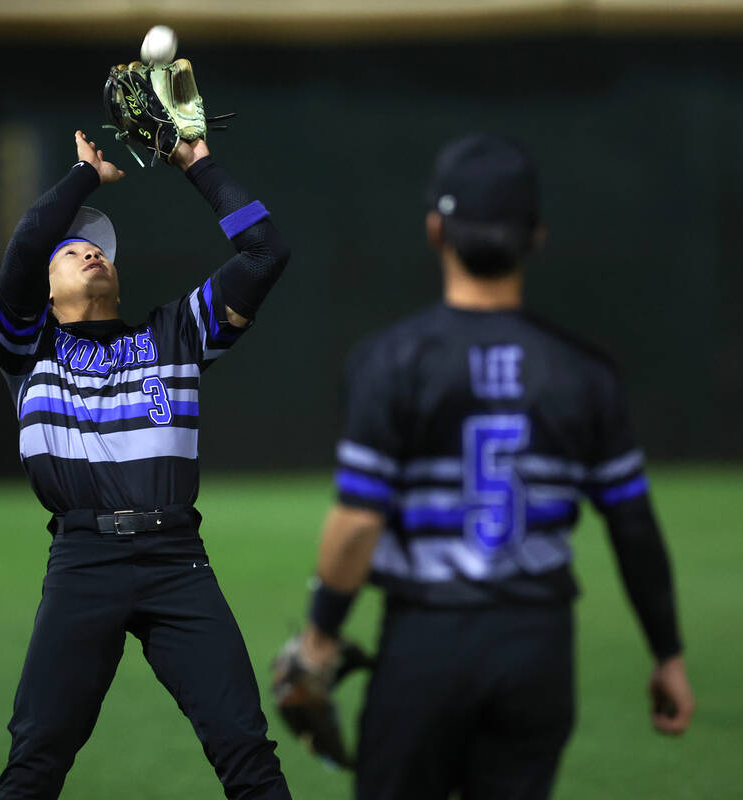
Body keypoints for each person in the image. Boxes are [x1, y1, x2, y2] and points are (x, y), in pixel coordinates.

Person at [292, 132, 695, 799]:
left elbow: (359, 524)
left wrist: (319, 638)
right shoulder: (583, 371)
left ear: (434, 229)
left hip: (427, 638)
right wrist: (667, 655)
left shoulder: (391, 361)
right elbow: (633, 524)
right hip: (536, 647)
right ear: (536, 234)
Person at [0, 129, 291, 799]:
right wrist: (82, 176)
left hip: (176, 562)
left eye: (97, 248)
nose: (89, 251)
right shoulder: (25, 348)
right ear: (45, 285)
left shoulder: (175, 333)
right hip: (83, 563)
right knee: (36, 754)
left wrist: (200, 165)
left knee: (244, 745)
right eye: (71, 251)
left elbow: (266, 250)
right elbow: (23, 247)